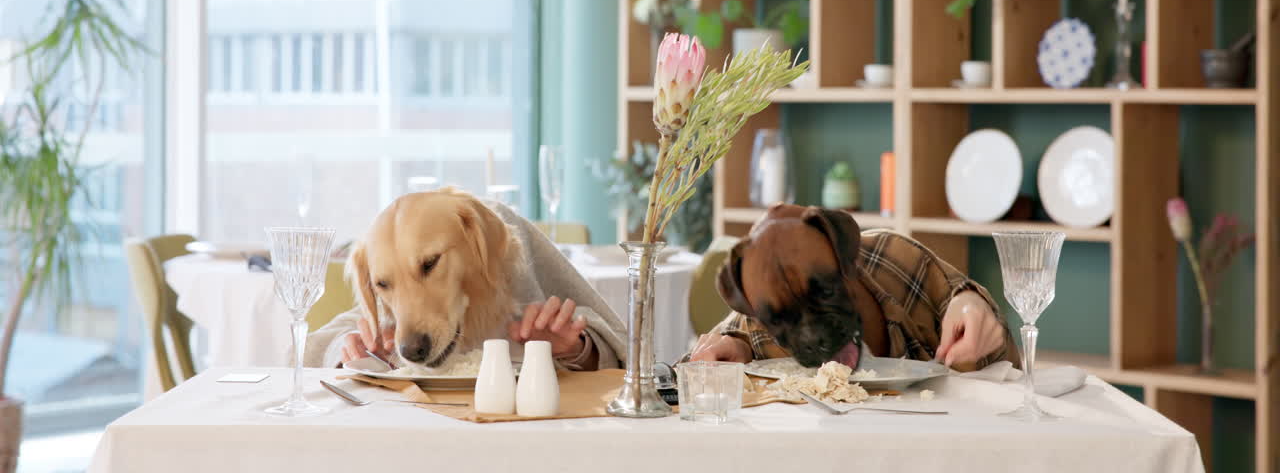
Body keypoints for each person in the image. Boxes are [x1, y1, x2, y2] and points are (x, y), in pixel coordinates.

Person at [303, 193, 626, 371]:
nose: (409, 337)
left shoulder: (497, 232)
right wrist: (348, 349)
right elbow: (314, 349)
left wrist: (576, 350)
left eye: (429, 265)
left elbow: (622, 356)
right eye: (384, 286)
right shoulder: (383, 288)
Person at [688, 204, 1018, 372]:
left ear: (846, 253)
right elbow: (689, 371)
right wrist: (732, 353)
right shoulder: (755, 315)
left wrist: (972, 304)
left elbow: (1005, 362)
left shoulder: (895, 259)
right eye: (782, 320)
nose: (811, 336)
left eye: (825, 293)